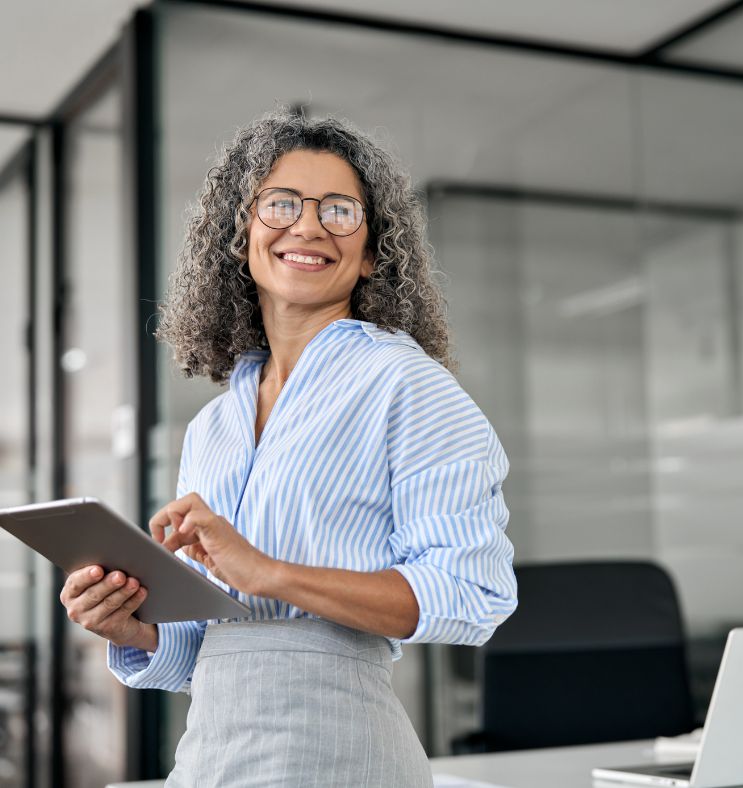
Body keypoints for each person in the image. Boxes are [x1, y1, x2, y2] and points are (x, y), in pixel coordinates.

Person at [58, 110, 518, 787]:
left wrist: (270, 572)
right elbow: (215, 647)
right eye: (281, 204)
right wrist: (135, 628)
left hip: (339, 753)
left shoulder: (405, 383)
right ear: (240, 234)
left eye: (339, 211)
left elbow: (472, 592)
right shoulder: (215, 425)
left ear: (372, 251)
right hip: (212, 758)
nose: (308, 227)